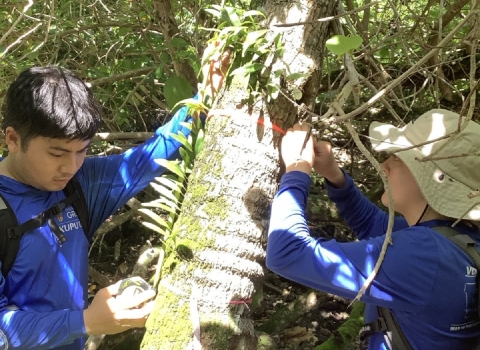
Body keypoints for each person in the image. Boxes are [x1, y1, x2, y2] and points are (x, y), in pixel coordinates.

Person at [0, 48, 230, 349]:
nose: (70, 167)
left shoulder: (78, 185)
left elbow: (147, 159)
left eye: (81, 150)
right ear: (13, 139)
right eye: (57, 153)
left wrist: (203, 99)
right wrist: (86, 321)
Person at [266, 109, 480, 349]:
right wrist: (335, 176)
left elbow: (287, 253)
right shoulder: (456, 237)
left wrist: (297, 169)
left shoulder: (422, 255)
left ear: (434, 180)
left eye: (399, 158)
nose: (385, 164)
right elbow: (375, 226)